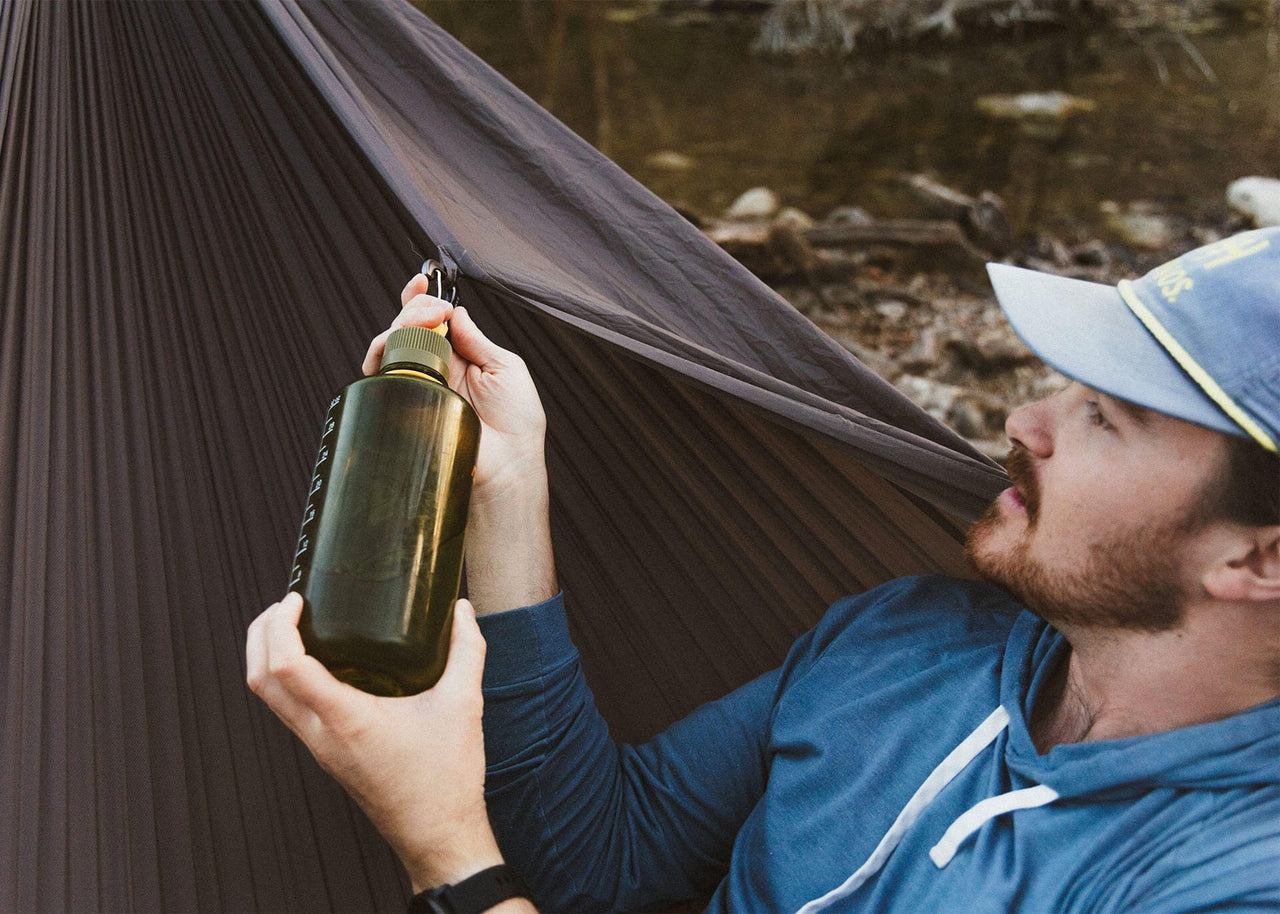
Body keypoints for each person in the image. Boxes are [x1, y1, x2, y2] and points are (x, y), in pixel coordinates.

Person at [248, 227, 1280, 913]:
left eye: (1104, 414)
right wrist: (506, 496)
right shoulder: (909, 637)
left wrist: (449, 854)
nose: (1023, 423)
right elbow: (601, 862)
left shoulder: (1222, 878)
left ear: (1256, 555)